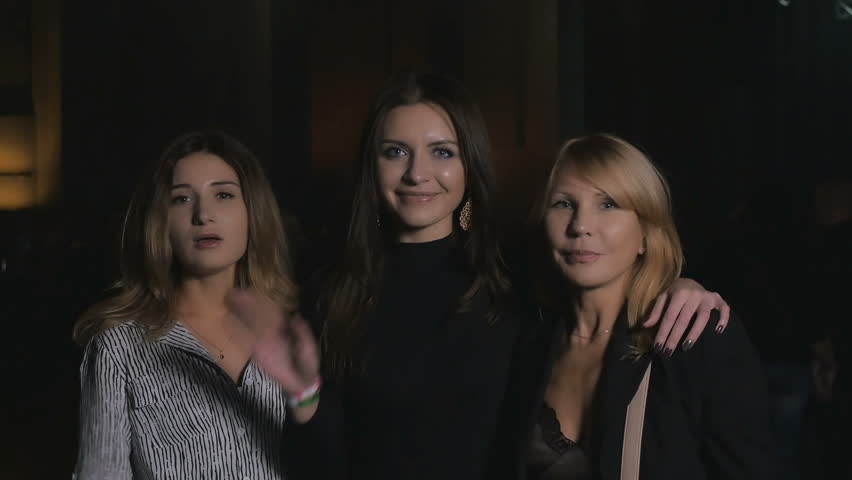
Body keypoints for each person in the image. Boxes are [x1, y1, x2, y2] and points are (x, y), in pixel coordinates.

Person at [227, 73, 731, 480]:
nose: (417, 173)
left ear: (470, 164)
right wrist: (304, 396)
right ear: (372, 167)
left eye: (442, 151)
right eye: (395, 151)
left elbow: (609, 285)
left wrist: (681, 287)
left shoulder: (520, 279)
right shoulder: (330, 292)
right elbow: (320, 467)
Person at [505, 134, 774, 479]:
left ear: (647, 233)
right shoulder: (526, 343)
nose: (581, 226)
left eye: (608, 204)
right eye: (563, 204)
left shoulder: (694, 337)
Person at [72, 131, 299, 479]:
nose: (203, 214)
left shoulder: (294, 332)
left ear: (252, 212)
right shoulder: (119, 348)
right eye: (181, 200)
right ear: (160, 222)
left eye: (223, 195)